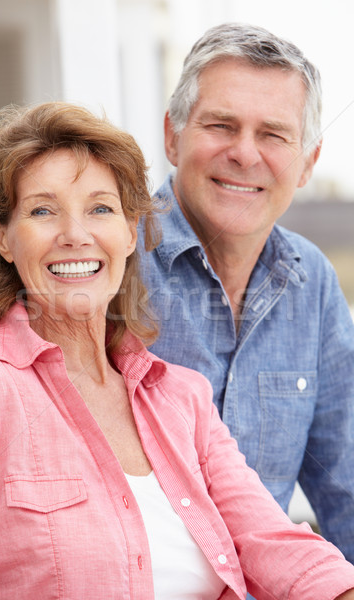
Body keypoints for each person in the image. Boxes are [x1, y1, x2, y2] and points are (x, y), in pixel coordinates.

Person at [0, 101, 354, 600]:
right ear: (4, 237)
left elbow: (277, 546)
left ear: (130, 232)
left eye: (100, 208)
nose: (76, 235)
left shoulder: (181, 398)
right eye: (42, 210)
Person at [139, 22, 354, 566]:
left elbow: (346, 484)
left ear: (307, 161)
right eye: (221, 124)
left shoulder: (315, 284)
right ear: (172, 135)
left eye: (274, 134)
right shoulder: (106, 259)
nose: (243, 153)